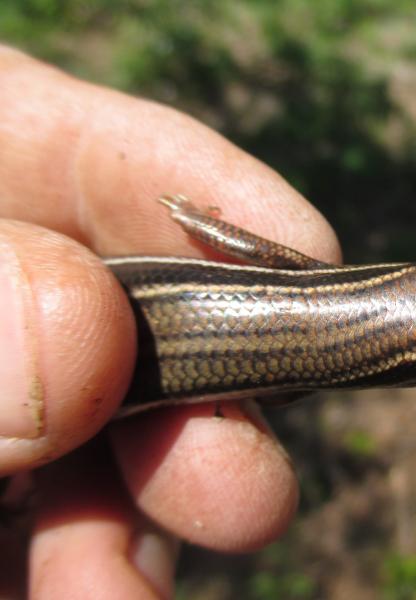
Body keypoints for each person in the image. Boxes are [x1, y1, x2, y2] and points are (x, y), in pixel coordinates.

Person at [0, 45, 340, 598]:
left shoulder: (308, 273)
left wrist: (190, 221)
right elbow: (281, 395)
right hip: (94, 373)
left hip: (103, 347)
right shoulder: (315, 357)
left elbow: (252, 249)